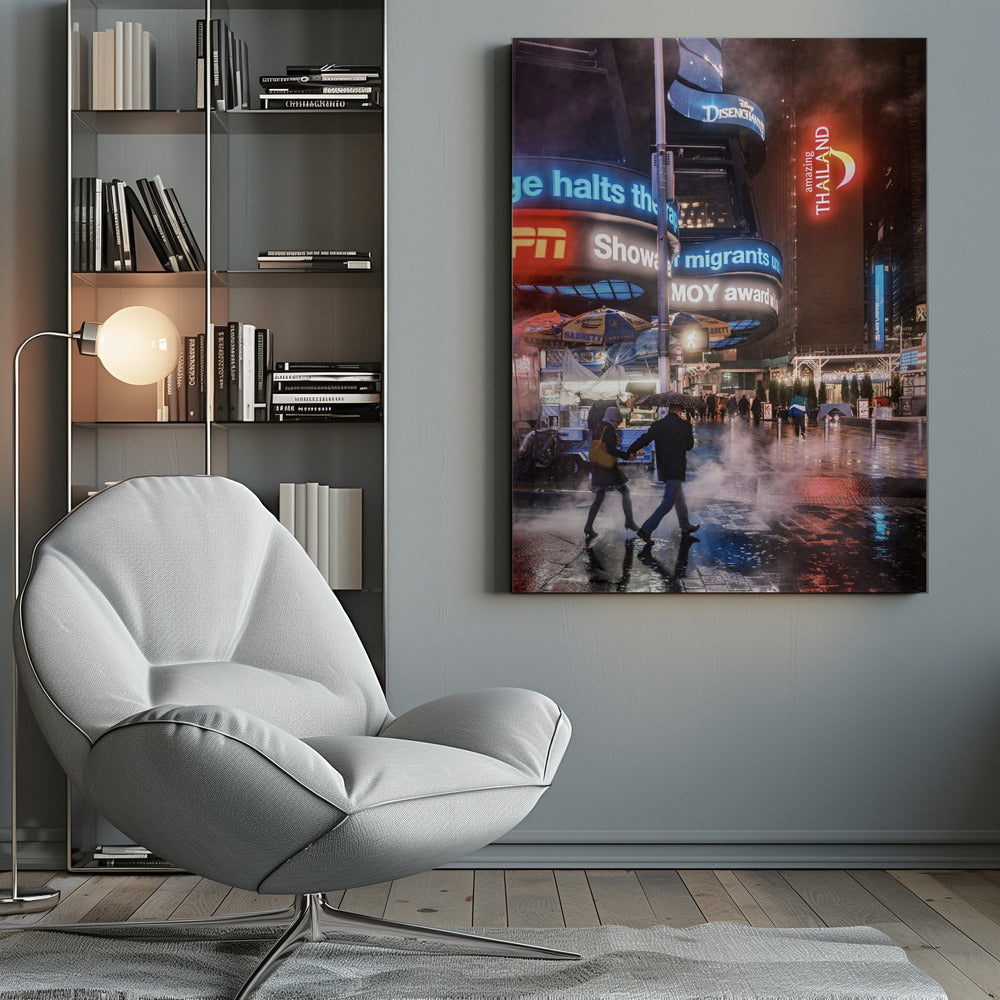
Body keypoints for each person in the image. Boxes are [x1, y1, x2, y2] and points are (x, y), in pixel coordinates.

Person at [625, 394, 699, 545]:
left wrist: (631, 450)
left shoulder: (659, 425)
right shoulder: (685, 425)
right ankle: (646, 529)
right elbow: (689, 446)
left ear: (668, 409)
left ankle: (685, 526)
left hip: (664, 467)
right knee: (668, 501)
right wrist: (687, 430)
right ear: (681, 410)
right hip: (677, 467)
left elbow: (644, 439)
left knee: (679, 498)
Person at [584, 406, 640, 543]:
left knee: (599, 498)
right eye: (617, 421)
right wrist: (627, 455)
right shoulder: (608, 428)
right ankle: (629, 522)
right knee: (625, 492)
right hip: (607, 468)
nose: (618, 424)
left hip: (598, 466)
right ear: (613, 418)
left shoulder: (599, 426)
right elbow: (610, 449)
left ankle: (588, 526)